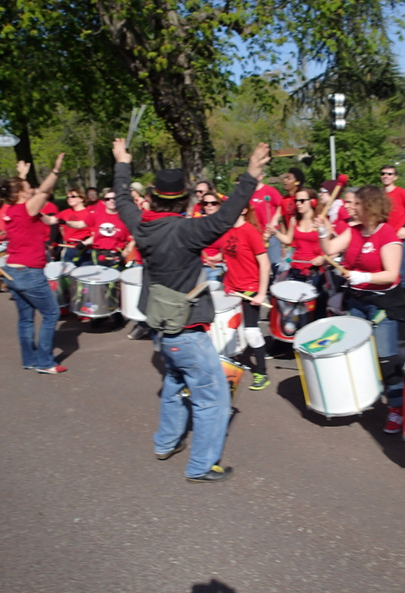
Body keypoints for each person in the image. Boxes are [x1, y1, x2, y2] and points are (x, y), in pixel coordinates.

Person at [112, 138, 271, 483]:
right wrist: (252, 173)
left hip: (162, 329)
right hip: (187, 333)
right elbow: (229, 215)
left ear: (152, 198)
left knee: (174, 382)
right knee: (213, 399)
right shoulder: (189, 231)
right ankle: (201, 465)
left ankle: (165, 442)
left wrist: (122, 162)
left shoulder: (141, 226)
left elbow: (122, 199)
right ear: (186, 200)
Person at [316, 185, 405, 434]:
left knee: (386, 359)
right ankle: (368, 396)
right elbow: (329, 250)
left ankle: (398, 408)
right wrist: (323, 230)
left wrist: (363, 275)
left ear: (371, 206)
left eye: (356, 204)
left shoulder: (387, 235)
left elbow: (391, 274)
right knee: (359, 354)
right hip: (357, 300)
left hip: (383, 304)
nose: (350, 207)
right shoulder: (354, 231)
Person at [0, 155, 67, 375]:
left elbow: (17, 191)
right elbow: (44, 191)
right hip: (29, 271)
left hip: (12, 271)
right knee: (51, 314)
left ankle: (29, 359)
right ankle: (45, 362)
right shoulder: (27, 208)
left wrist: (21, 176)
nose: (32, 188)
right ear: (21, 193)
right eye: (28, 187)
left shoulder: (10, 211)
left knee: (26, 318)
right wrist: (55, 170)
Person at [221, 204, 272, 391]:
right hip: (231, 290)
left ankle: (261, 372)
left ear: (243, 210)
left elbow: (265, 264)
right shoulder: (225, 230)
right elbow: (227, 255)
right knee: (228, 331)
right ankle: (226, 369)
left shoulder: (250, 231)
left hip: (250, 289)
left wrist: (261, 292)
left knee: (251, 332)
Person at [267, 187, 328, 317]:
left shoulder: (321, 221)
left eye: (302, 200)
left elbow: (331, 247)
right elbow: (288, 240)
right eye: (296, 201)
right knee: (295, 308)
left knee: (313, 309)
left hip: (314, 270)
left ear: (312, 202)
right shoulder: (295, 220)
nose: (298, 204)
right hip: (296, 267)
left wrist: (322, 259)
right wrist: (275, 232)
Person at [380, 164, 405, 288]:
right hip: (383, 239)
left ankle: (403, 304)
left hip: (399, 239)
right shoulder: (379, 195)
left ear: (395, 177)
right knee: (384, 272)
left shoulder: (401, 192)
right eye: (383, 173)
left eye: (389, 174)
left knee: (400, 274)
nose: (385, 176)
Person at [56, 188, 92, 264]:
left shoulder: (89, 214)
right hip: (68, 248)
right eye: (68, 197)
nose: (69, 199)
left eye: (72, 196)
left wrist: (85, 243)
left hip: (84, 249)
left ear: (81, 199)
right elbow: (59, 227)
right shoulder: (64, 213)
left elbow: (95, 235)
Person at [200, 192, 226, 283]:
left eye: (213, 203)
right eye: (205, 203)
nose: (209, 206)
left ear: (219, 205)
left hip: (217, 268)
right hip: (198, 268)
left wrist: (222, 255)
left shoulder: (225, 225)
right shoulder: (196, 223)